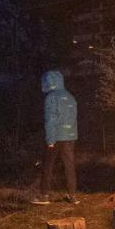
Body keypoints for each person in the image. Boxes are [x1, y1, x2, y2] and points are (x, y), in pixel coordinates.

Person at [31, 70, 79, 205]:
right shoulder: (70, 96)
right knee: (69, 166)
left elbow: (50, 120)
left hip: (57, 137)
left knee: (48, 166)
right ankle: (73, 196)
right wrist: (73, 135)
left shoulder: (51, 97)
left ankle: (44, 196)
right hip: (70, 137)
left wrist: (50, 140)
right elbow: (73, 118)